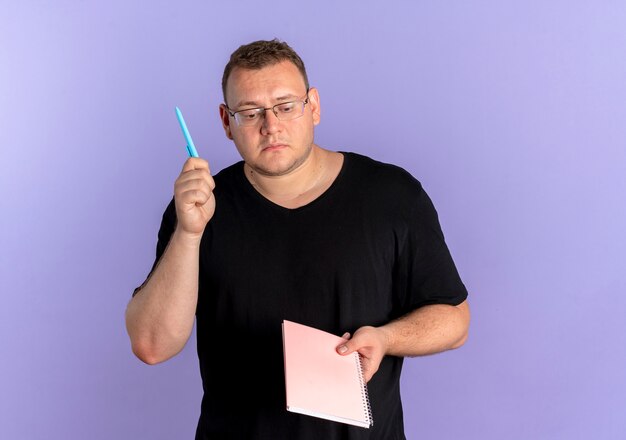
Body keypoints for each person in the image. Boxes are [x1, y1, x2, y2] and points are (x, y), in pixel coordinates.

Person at [125, 38, 470, 440]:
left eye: (286, 107)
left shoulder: (392, 196)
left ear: (314, 107)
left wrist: (386, 337)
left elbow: (455, 321)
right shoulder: (198, 209)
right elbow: (151, 345)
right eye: (250, 113)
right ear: (225, 122)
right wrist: (188, 233)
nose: (271, 126)